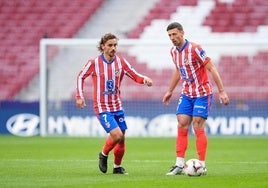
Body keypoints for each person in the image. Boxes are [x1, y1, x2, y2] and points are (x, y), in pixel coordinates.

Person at [76, 33, 153, 175]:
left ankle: (117, 167)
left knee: (122, 140)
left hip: (117, 106)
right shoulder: (94, 63)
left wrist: (144, 79)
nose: (113, 48)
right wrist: (79, 96)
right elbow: (80, 76)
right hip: (102, 107)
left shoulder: (121, 62)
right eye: (110, 45)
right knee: (116, 135)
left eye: (115, 45)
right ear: (103, 46)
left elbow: (134, 74)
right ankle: (103, 154)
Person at [163, 22, 229, 175]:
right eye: (169, 35)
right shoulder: (173, 52)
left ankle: (202, 165)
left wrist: (222, 91)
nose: (172, 38)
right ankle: (179, 164)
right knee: (182, 123)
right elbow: (178, 71)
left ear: (182, 33)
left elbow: (211, 67)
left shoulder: (195, 49)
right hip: (186, 93)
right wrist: (170, 90)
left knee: (197, 125)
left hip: (202, 93)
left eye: (174, 34)